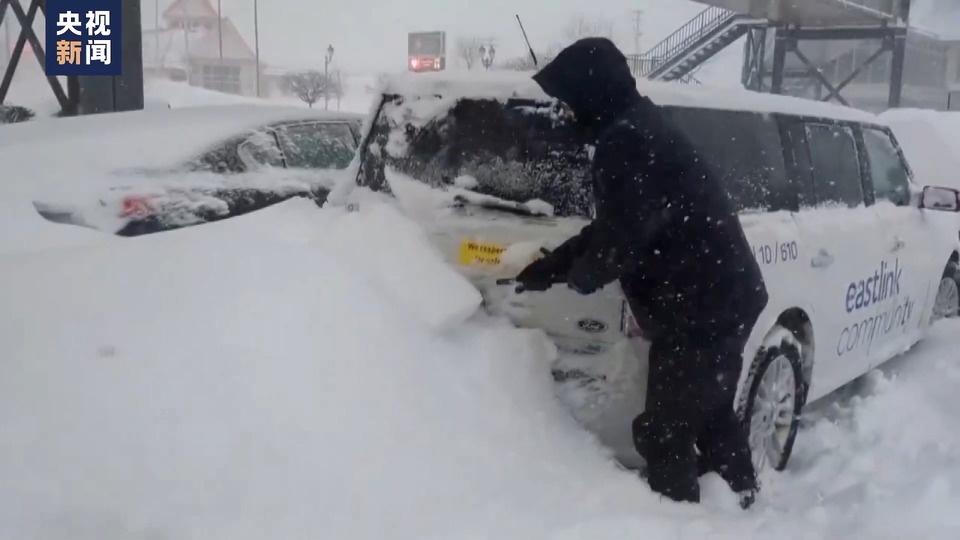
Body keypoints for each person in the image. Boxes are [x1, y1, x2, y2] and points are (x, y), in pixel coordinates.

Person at [514, 37, 770, 508]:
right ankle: (742, 505)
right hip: (722, 295)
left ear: (592, 93)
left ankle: (679, 522)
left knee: (664, 433)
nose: (566, 113)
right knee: (710, 411)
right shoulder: (639, 125)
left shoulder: (626, 141)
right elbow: (616, 226)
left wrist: (580, 277)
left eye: (569, 101)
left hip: (703, 306)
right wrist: (552, 267)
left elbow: (619, 240)